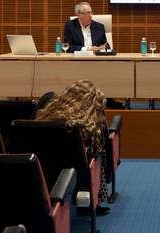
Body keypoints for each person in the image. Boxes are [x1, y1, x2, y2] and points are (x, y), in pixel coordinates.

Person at [35, 80, 110, 215]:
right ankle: (94, 202)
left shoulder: (39, 121)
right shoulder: (83, 130)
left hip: (36, 175)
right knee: (97, 154)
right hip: (71, 179)